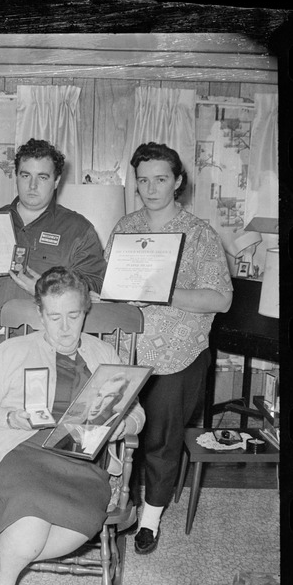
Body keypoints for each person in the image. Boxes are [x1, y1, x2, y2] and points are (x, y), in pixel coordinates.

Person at [0, 267, 145, 585]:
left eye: (73, 316)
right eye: (54, 317)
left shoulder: (103, 353)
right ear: (40, 314)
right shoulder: (13, 350)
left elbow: (136, 410)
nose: (64, 327)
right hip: (20, 450)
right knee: (31, 516)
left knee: (75, 526)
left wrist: (123, 426)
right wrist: (8, 415)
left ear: (85, 311)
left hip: (81, 456)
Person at [0, 138, 108, 528]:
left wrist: (40, 285)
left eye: (43, 177)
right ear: (16, 176)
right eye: (25, 175)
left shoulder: (77, 229)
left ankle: (34, 505)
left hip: (43, 351)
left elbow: (92, 289)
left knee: (38, 431)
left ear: (57, 180)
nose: (32, 185)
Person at [104, 142, 233, 555]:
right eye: (143, 180)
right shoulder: (125, 228)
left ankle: (151, 519)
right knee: (119, 437)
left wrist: (163, 293)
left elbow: (221, 299)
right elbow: (111, 288)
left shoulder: (199, 234)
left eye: (161, 179)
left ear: (178, 182)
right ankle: (120, 503)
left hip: (176, 356)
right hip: (126, 352)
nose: (151, 188)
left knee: (161, 440)